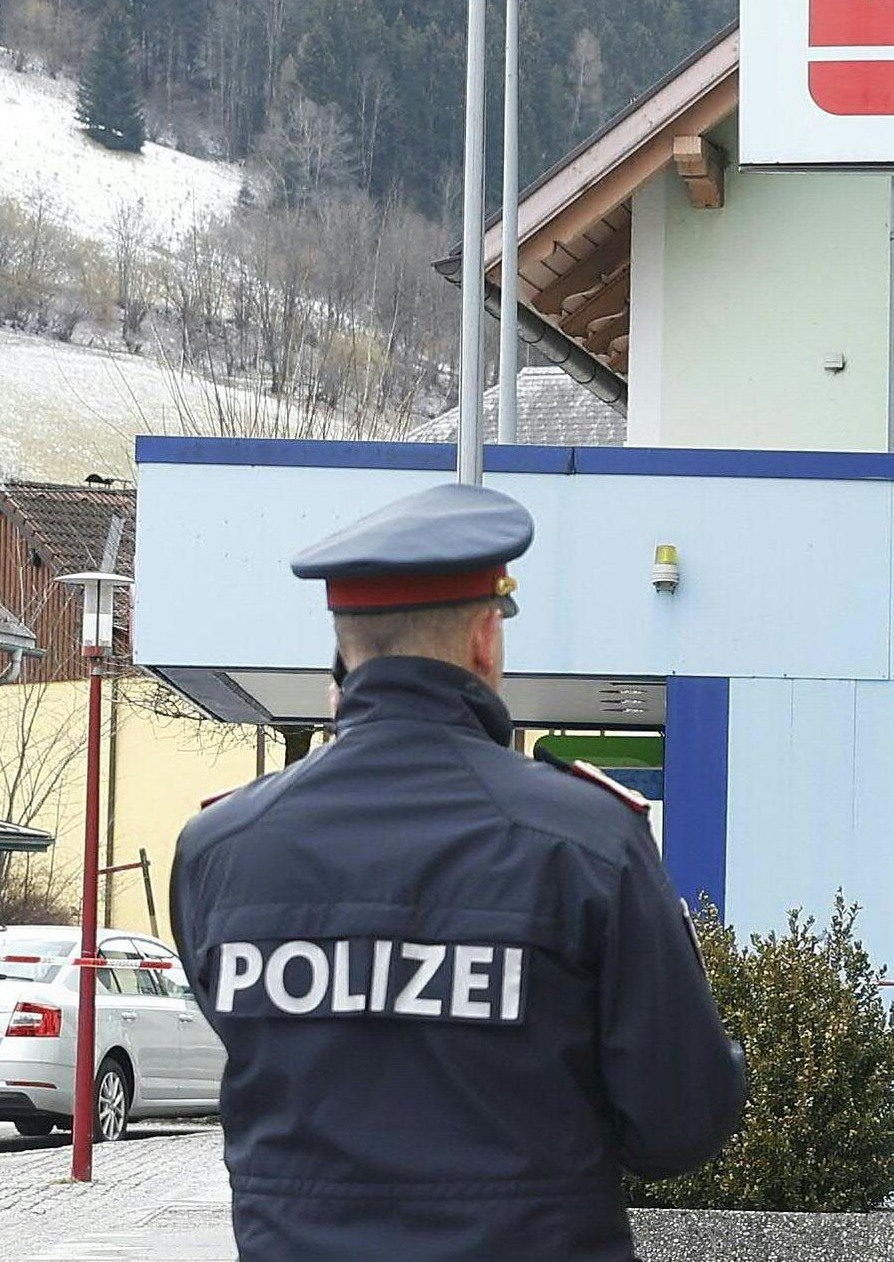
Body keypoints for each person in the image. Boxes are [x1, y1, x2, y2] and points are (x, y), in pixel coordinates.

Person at [171, 481, 747, 1261]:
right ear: (485, 638)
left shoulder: (221, 846)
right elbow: (680, 1122)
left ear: (344, 652)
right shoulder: (587, 841)